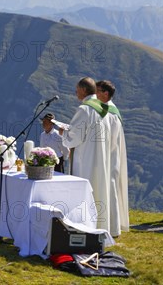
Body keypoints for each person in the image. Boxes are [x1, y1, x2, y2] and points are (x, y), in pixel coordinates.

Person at [60, 77, 111, 232]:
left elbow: (75, 137)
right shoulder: (103, 109)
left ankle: (83, 225)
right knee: (97, 189)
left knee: (84, 190)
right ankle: (99, 225)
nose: (75, 92)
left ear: (83, 90)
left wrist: (64, 134)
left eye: (77, 89)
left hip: (85, 159)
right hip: (99, 157)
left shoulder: (85, 109)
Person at [96, 80, 129, 237]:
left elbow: (111, 139)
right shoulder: (106, 110)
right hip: (108, 155)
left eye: (98, 91)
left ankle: (113, 227)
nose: (95, 94)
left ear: (105, 94)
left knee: (110, 187)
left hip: (110, 156)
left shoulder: (111, 112)